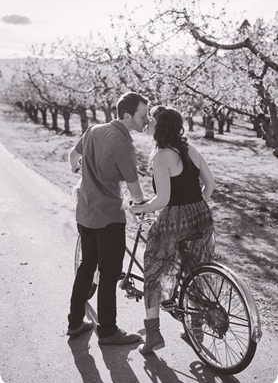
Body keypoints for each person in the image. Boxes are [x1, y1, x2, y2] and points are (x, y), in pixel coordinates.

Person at [130, 105, 215, 354]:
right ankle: (196, 331)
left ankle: (153, 334)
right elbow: (210, 184)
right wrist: (196, 203)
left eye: (151, 120)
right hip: (201, 214)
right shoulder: (190, 149)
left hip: (174, 219)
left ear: (160, 126)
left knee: (153, 270)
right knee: (196, 269)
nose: (147, 123)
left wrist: (138, 209)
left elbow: (163, 200)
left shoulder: (160, 156)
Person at [67, 91, 149, 344]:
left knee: (87, 266)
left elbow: (72, 156)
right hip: (109, 218)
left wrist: (81, 173)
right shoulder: (122, 144)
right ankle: (108, 331)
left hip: (85, 213)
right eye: (143, 116)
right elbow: (135, 190)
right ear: (127, 116)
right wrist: (143, 208)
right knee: (110, 273)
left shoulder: (93, 130)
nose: (146, 121)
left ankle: (74, 323)